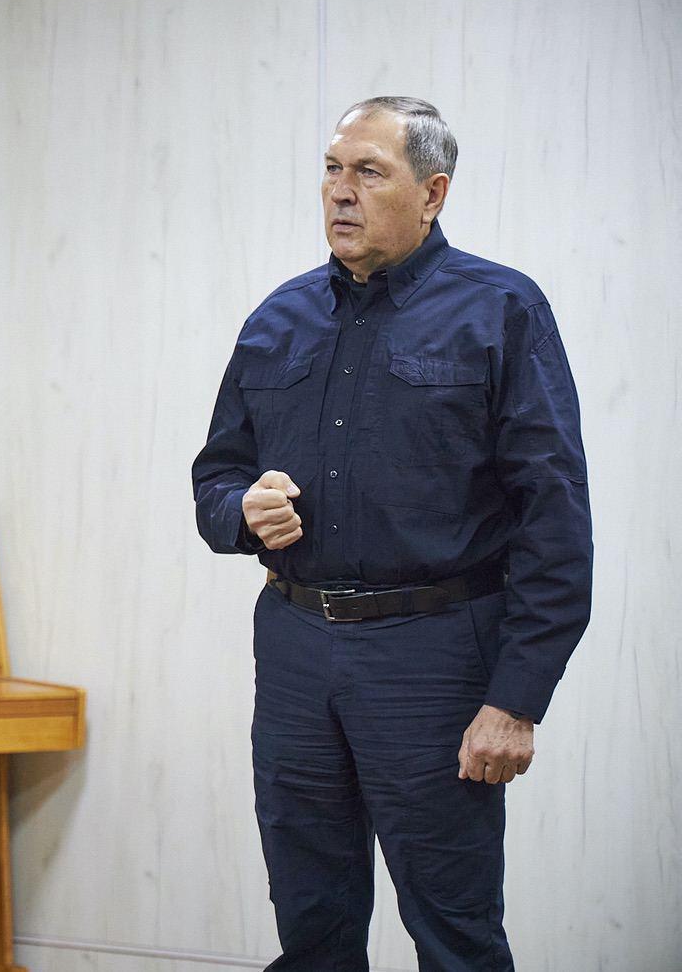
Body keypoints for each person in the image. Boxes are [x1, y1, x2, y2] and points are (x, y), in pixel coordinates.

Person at [191, 97, 591, 970]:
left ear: (433, 192)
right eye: (332, 170)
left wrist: (517, 699)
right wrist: (238, 513)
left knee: (454, 932)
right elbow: (215, 477)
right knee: (311, 922)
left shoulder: (501, 310)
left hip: (436, 658)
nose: (340, 192)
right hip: (296, 650)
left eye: (368, 172)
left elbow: (554, 520)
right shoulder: (278, 318)